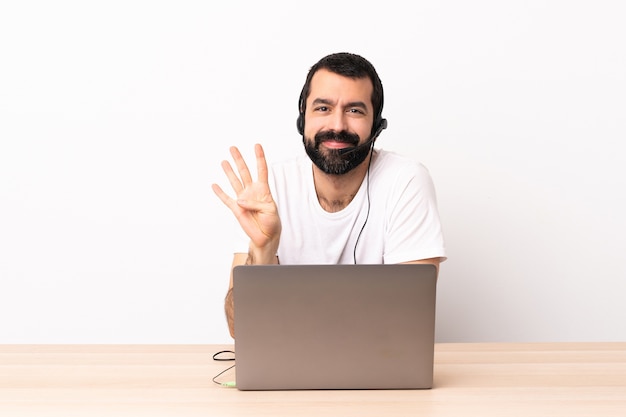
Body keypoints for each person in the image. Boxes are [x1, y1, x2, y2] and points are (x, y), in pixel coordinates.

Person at [212, 52, 446, 338]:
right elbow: (241, 330)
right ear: (303, 118)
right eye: (323, 108)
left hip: (379, 371)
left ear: (377, 125)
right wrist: (263, 250)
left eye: (355, 111)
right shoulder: (270, 188)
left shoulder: (405, 181)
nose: (337, 125)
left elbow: (409, 322)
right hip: (288, 369)